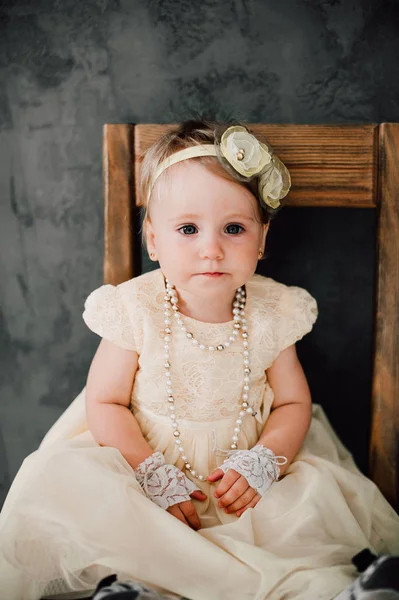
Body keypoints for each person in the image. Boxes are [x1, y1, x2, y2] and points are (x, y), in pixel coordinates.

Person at [0, 119, 398, 600]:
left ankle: (341, 591)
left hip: (246, 484)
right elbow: (103, 403)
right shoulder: (136, 308)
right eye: (188, 229)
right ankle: (132, 590)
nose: (211, 249)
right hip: (144, 470)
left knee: (298, 536)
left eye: (233, 228)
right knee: (99, 509)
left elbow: (294, 405)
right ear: (153, 240)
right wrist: (151, 474)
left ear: (262, 238)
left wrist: (264, 463)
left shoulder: (274, 311)